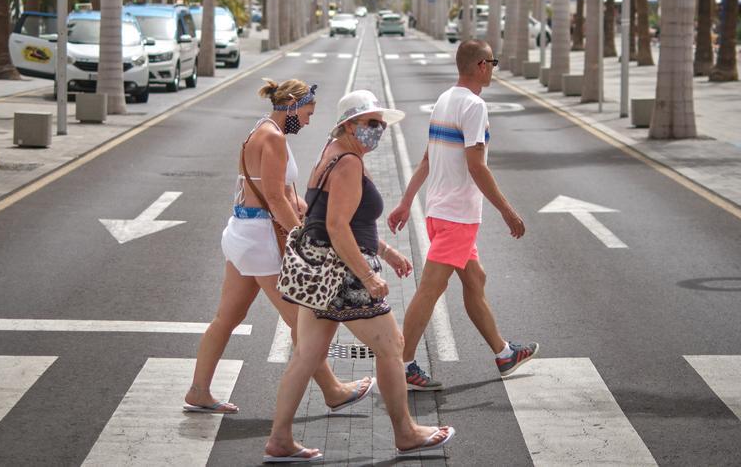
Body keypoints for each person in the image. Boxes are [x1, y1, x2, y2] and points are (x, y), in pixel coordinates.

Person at [265, 90, 455, 463]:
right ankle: (406, 433)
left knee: (306, 355)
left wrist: (386, 251)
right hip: (344, 273)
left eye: (381, 124)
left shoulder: (333, 152)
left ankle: (279, 439)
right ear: (350, 125)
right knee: (391, 346)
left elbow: (346, 220)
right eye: (371, 123)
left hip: (322, 269)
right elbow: (337, 226)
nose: (378, 130)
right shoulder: (350, 162)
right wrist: (368, 275)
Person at [184, 79, 372, 417]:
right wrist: (300, 234)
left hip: (244, 233)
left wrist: (307, 209)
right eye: (308, 113)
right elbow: (273, 197)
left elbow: (280, 192)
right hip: (260, 240)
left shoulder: (264, 129)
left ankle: (199, 390)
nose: (310, 121)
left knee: (228, 317)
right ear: (293, 105)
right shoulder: (272, 137)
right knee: (300, 320)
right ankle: (333, 389)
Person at [388, 39, 536, 392]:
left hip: (440, 211)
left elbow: (427, 158)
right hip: (457, 216)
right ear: (482, 65)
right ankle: (403, 364)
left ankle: (503, 353)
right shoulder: (473, 106)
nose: (494, 69)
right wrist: (508, 211)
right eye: (493, 63)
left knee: (475, 279)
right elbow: (476, 166)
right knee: (429, 289)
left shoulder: (444, 100)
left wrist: (407, 201)